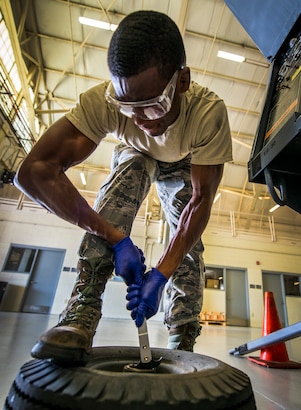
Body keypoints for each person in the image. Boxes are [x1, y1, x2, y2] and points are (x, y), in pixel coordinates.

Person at [14, 10, 232, 365]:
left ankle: (183, 329)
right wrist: (116, 237)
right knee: (119, 189)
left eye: (153, 105)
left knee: (187, 239)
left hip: (185, 161)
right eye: (127, 107)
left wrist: (162, 271)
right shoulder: (105, 101)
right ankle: (82, 309)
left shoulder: (208, 114)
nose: (141, 119)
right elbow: (35, 172)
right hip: (136, 152)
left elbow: (200, 202)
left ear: (183, 80)